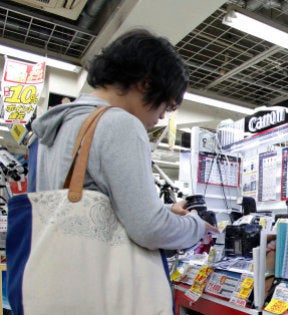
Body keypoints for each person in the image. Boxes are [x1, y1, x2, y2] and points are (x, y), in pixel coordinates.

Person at [19, 29, 217, 313]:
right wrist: (196, 226)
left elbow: (88, 207)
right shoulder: (118, 124)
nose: (162, 116)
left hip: (58, 288)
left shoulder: (50, 129)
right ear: (145, 83)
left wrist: (161, 210)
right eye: (167, 104)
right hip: (104, 297)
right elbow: (149, 229)